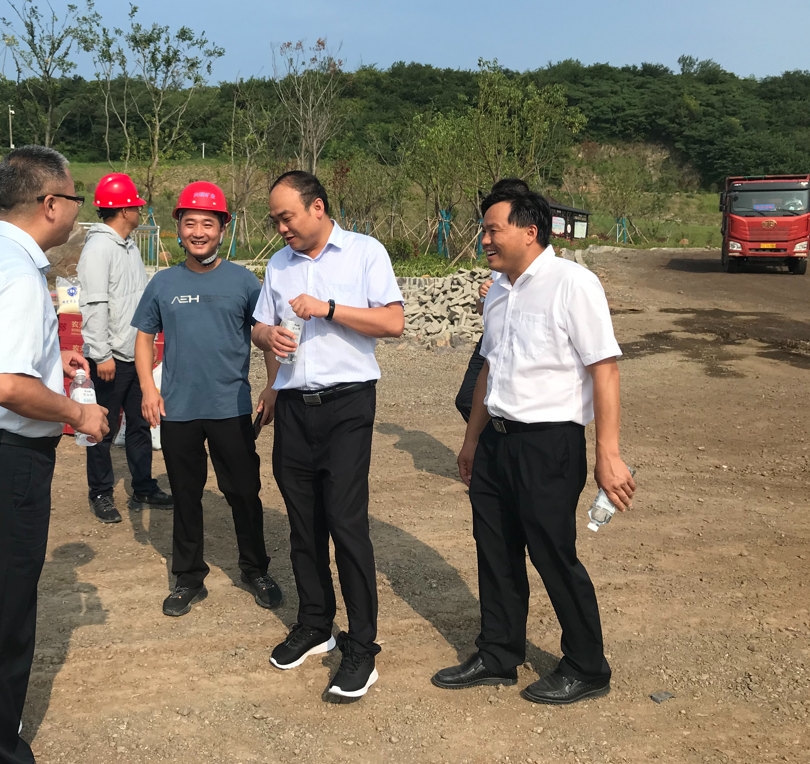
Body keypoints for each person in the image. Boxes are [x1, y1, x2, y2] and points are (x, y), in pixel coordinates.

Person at [0, 146, 110, 764]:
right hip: (6, 459)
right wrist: (78, 413)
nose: (79, 211)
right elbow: (6, 386)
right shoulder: (19, 274)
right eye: (75, 198)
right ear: (50, 203)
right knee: (7, 613)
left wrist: (50, 362)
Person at [432, 178, 635, 706]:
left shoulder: (573, 284)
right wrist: (471, 441)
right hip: (497, 443)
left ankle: (588, 666)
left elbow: (605, 370)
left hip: (549, 445)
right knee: (494, 551)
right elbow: (488, 369)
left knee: (552, 555)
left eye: (492, 229)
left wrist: (608, 454)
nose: (484, 240)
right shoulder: (499, 291)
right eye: (483, 230)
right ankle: (499, 654)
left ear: (529, 230)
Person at [251, 170, 404, 700]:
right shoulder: (278, 264)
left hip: (347, 406)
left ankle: (361, 646)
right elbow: (259, 326)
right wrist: (268, 338)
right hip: (294, 406)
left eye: (286, 217)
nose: (281, 228)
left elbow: (393, 323)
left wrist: (329, 309)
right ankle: (315, 623)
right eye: (275, 220)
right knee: (303, 522)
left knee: (345, 522)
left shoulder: (365, 253)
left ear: (317, 207)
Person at [132, 182, 284, 617]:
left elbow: (266, 337)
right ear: (178, 228)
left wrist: (272, 386)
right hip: (178, 410)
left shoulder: (244, 281)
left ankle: (255, 569)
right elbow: (144, 337)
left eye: (208, 224)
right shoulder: (163, 283)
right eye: (190, 223)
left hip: (230, 408)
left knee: (244, 492)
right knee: (185, 495)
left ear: (223, 229)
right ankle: (188, 577)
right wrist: (148, 389)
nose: (198, 232)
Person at [77, 172, 173, 524]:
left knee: (140, 424)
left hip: (134, 355)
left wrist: (146, 344)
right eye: (136, 206)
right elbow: (94, 305)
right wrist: (101, 354)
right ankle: (100, 492)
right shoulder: (99, 249)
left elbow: (138, 301)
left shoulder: (128, 246)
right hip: (111, 359)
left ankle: (143, 485)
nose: (140, 211)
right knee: (100, 427)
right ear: (123, 210)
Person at [453, 278, 493, 423]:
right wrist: (482, 295)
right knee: (466, 400)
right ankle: (490, 436)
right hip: (489, 338)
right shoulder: (497, 273)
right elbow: (481, 310)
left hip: (513, 339)